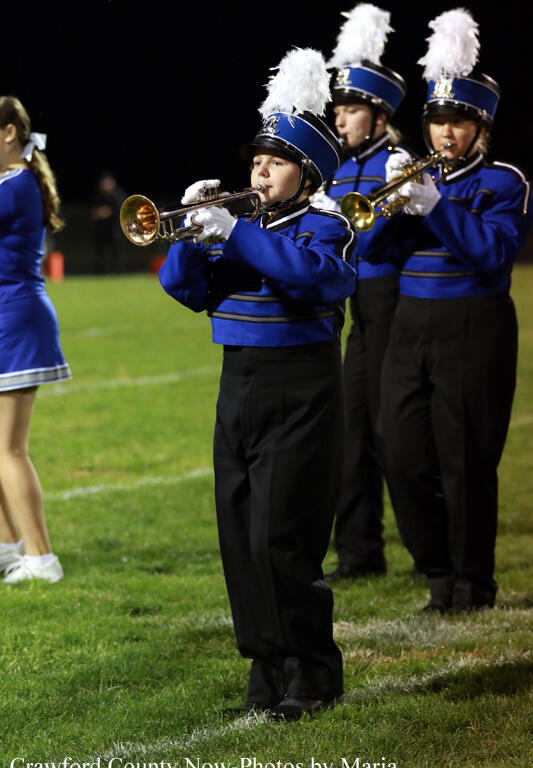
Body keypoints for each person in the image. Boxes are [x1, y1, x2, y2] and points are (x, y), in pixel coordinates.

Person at [159, 49, 357, 720]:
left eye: (275, 162)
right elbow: (184, 290)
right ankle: (265, 672)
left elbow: (316, 279)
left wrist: (236, 234)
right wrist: (189, 235)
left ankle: (313, 673)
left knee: (283, 536)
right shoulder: (241, 228)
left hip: (301, 388)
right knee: (241, 535)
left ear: (308, 172)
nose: (260, 172)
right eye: (256, 162)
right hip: (237, 382)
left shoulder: (327, 224)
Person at [378, 9, 532, 613]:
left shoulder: (504, 182)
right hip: (409, 324)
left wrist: (436, 205)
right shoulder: (412, 180)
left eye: (458, 122)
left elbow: (492, 255)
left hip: (474, 325)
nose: (445, 132)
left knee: (464, 457)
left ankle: (470, 583)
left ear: (479, 127)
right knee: (399, 452)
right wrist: (391, 206)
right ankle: (436, 569)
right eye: (438, 121)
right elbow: (372, 252)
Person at [312, 4, 410, 581]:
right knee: (351, 431)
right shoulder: (338, 169)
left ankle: (431, 549)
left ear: (378, 115)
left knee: (396, 433)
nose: (341, 118)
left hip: (393, 301)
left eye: (351, 109)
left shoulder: (396, 164)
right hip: (356, 310)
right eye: (339, 108)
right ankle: (358, 552)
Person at [0, 96, 71, 584]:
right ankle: (8, 548)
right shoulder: (14, 181)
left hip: (16, 320)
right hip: (9, 318)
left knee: (10, 449)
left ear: (9, 132)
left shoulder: (16, 185)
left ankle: (42, 559)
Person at [90, 171, 126, 274]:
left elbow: (123, 211)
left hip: (115, 229)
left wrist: (108, 212)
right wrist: (99, 213)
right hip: (101, 229)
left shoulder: (118, 195)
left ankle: (119, 272)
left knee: (117, 252)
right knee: (100, 253)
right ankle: (100, 273)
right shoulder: (98, 195)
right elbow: (93, 211)